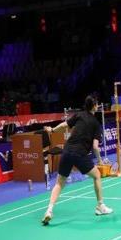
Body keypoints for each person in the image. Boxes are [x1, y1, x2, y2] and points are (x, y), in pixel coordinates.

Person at [41, 95, 113, 225]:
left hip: (67, 151)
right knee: (97, 175)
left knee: (59, 183)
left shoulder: (79, 115)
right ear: (95, 106)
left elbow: (64, 125)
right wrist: (100, 161)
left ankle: (49, 210)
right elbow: (95, 147)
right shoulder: (96, 124)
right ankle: (100, 206)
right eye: (97, 104)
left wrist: (52, 130)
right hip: (79, 154)